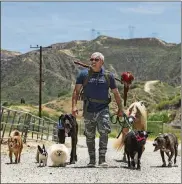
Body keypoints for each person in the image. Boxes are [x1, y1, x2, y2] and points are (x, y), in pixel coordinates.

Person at [72, 52, 123, 167]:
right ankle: (91, 160)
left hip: (103, 109)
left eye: (96, 59)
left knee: (104, 132)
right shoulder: (83, 75)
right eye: (92, 59)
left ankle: (102, 159)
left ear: (102, 62)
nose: (93, 61)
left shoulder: (108, 76)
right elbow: (76, 91)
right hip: (89, 109)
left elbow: (116, 93)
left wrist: (120, 109)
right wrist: (74, 106)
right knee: (89, 135)